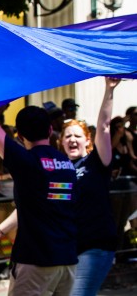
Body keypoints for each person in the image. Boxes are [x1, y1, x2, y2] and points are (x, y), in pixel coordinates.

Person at [0, 104, 78, 295]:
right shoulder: (67, 165)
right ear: (50, 130)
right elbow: (39, 204)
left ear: (19, 136)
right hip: (67, 262)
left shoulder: (26, 162)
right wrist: (1, 230)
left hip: (35, 261)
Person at [58, 77, 121, 296]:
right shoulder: (60, 167)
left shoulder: (97, 162)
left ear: (87, 140)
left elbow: (104, 126)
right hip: (68, 246)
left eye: (77, 136)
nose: (72, 140)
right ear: (61, 142)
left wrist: (109, 89)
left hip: (96, 244)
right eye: (68, 136)